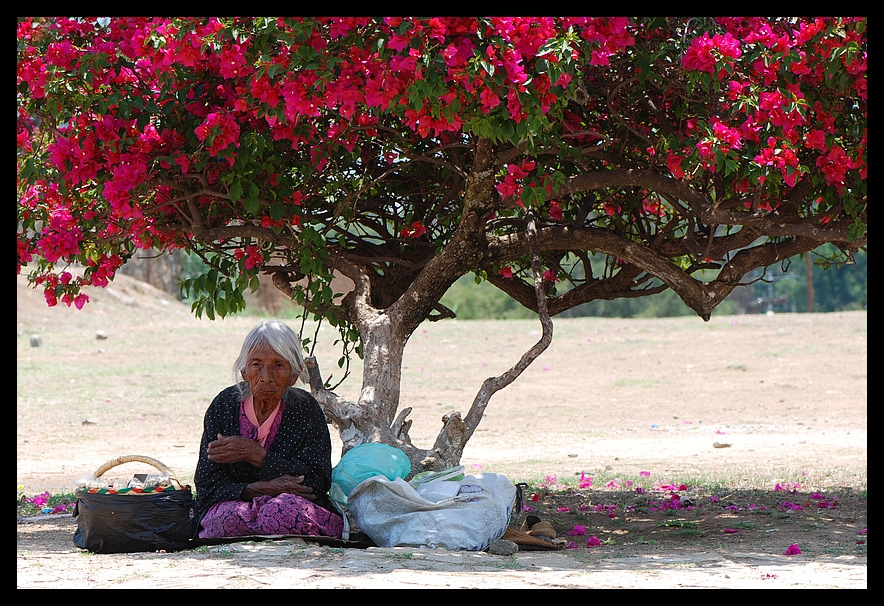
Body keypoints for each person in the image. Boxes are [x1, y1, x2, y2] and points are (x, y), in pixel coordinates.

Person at [193, 320, 344, 539]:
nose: (266, 376)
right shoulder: (224, 405)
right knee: (226, 518)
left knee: (284, 512)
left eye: (278, 365)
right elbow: (207, 486)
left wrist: (254, 454)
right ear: (244, 371)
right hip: (235, 506)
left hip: (288, 507)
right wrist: (261, 489)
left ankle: (259, 526)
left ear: (294, 374)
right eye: (256, 364)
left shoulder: (306, 409)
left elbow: (316, 482)